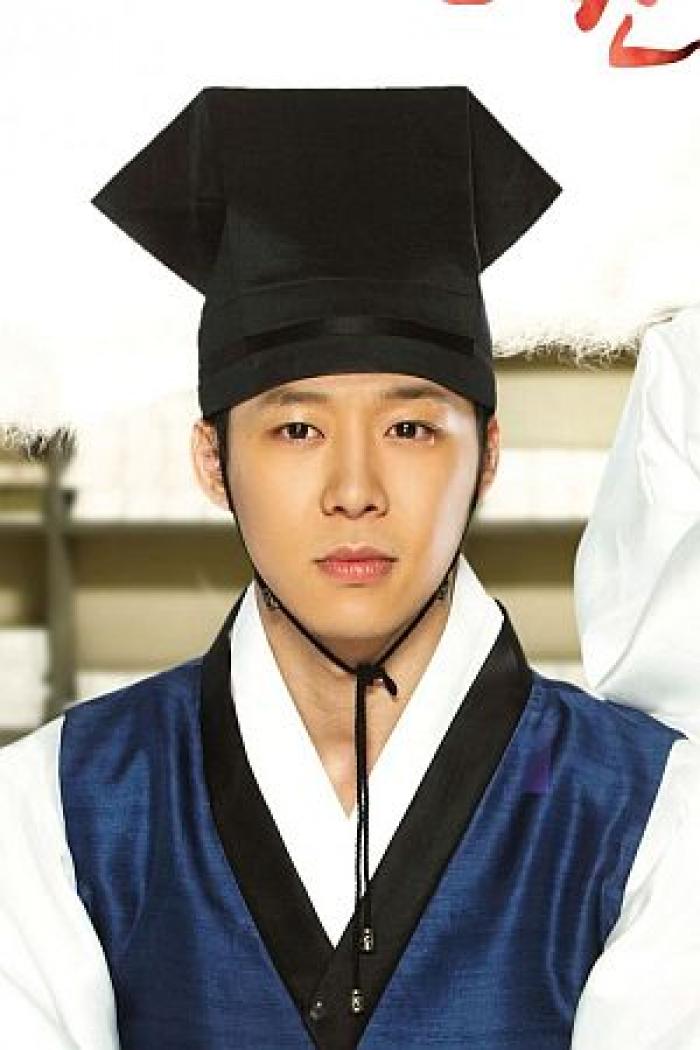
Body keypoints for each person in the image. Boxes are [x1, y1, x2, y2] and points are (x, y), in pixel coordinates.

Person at [0, 85, 698, 1050]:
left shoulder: (648, 809)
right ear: (212, 461)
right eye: (297, 429)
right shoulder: (59, 805)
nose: (355, 490)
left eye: (411, 428)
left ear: (488, 455)